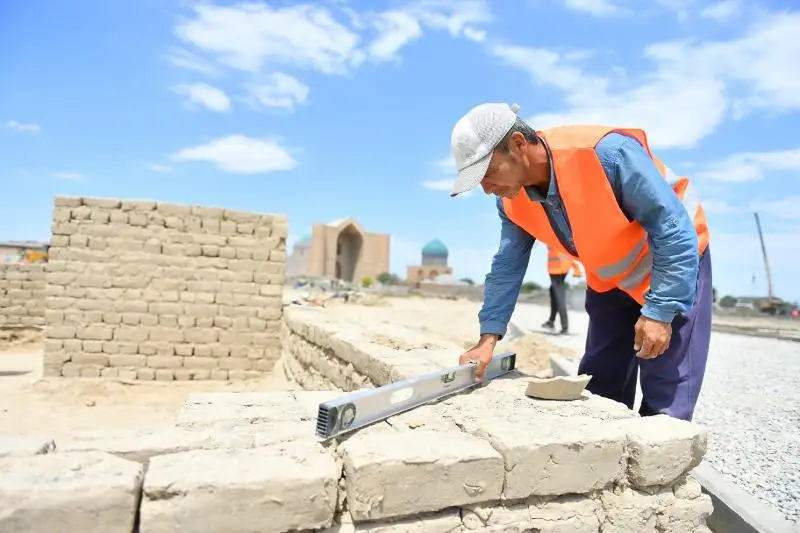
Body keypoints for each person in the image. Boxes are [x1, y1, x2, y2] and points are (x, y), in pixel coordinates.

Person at [448, 102, 712, 422]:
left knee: (665, 389)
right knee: (600, 385)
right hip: (609, 276)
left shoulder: (607, 154)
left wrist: (660, 311)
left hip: (673, 262)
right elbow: (507, 266)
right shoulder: (511, 201)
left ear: (517, 144)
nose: (486, 188)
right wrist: (488, 338)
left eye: (488, 173)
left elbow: (672, 229)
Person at [542, 245, 583, 334]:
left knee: (559, 298)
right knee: (553, 292)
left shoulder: (555, 241)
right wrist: (576, 268)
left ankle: (565, 327)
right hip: (561, 269)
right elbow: (571, 257)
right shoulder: (566, 243)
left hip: (556, 271)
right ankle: (551, 322)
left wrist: (576, 269)